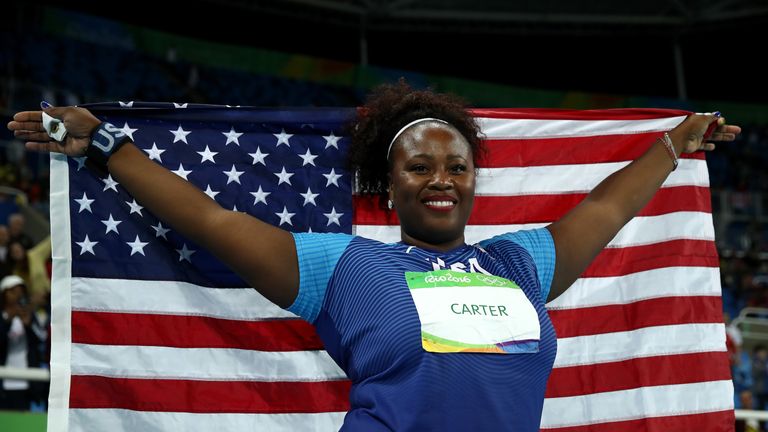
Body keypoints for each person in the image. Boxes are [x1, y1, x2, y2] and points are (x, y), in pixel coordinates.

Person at [7, 81, 740, 430]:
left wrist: (672, 146)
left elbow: (605, 210)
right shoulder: (344, 267)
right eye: (421, 166)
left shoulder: (517, 265)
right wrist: (105, 144)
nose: (442, 180)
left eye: (456, 166)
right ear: (388, 186)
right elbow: (209, 217)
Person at [0, 274, 47, 411]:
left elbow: (41, 339)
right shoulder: (2, 317)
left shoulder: (30, 315)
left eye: (21, 292)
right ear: (3, 294)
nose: (17, 295)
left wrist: (28, 325)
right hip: (3, 383)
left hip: (26, 383)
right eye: (13, 291)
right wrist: (7, 321)